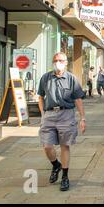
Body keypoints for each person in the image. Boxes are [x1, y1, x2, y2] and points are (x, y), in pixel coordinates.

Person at [38, 52, 86, 192]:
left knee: (65, 145)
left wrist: (82, 118)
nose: (57, 62)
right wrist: (42, 114)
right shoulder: (46, 78)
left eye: (60, 60)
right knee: (47, 146)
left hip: (66, 114)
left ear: (66, 62)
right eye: (55, 60)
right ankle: (55, 165)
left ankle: (65, 176)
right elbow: (41, 96)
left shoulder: (71, 79)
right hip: (49, 114)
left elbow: (78, 99)